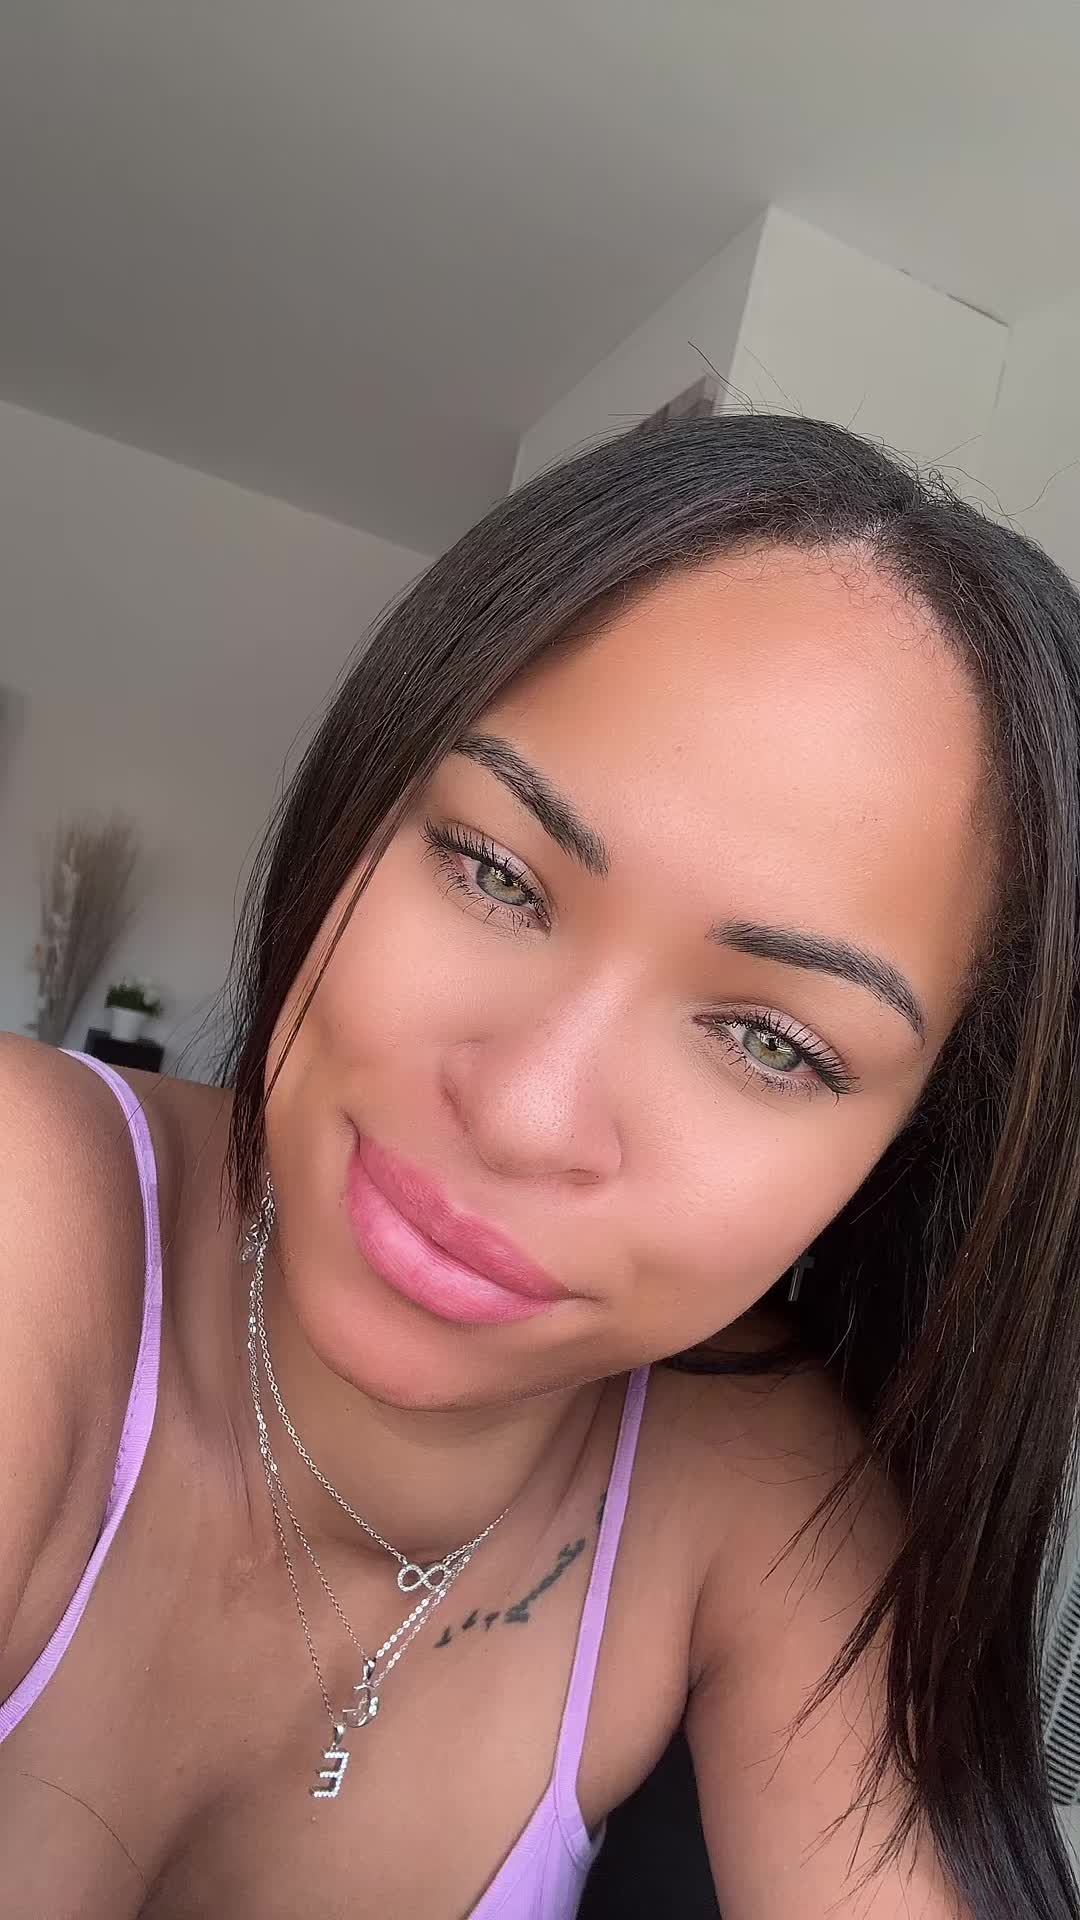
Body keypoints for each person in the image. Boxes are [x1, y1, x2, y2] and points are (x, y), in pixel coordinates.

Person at [0, 413, 1077, 1920]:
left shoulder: (753, 1488)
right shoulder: (27, 1210)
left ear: (901, 1163)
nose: (524, 1114)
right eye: (494, 870)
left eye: (771, 1043)